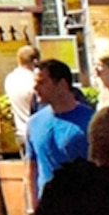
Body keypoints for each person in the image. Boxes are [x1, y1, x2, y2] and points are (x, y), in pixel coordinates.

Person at [26, 60, 95, 201]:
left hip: (83, 205)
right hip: (48, 207)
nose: (35, 87)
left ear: (62, 84)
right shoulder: (34, 123)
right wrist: (32, 208)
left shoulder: (91, 122)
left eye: (42, 82)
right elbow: (31, 170)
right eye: (35, 82)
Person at [4, 49, 46, 155]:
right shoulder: (35, 81)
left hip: (21, 132)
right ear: (35, 61)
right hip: (39, 132)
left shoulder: (10, 79)